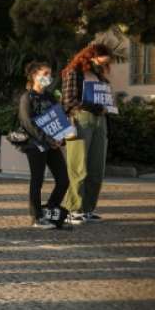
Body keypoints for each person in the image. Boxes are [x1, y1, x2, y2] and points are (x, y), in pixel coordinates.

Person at [61, 43, 113, 226]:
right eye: (101, 60)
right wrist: (94, 107)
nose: (103, 64)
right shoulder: (74, 72)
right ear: (90, 56)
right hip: (81, 120)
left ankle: (88, 208)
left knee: (97, 168)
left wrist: (108, 106)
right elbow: (68, 101)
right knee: (78, 168)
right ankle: (71, 209)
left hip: (100, 121)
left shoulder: (98, 76)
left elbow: (105, 97)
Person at [18, 62, 70, 229]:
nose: (49, 77)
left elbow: (58, 118)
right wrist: (48, 139)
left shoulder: (50, 97)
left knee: (63, 180)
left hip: (52, 144)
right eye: (45, 73)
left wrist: (61, 137)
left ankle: (49, 210)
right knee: (37, 180)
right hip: (35, 145)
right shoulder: (27, 98)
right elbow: (28, 124)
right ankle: (36, 217)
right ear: (34, 75)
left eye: (50, 74)